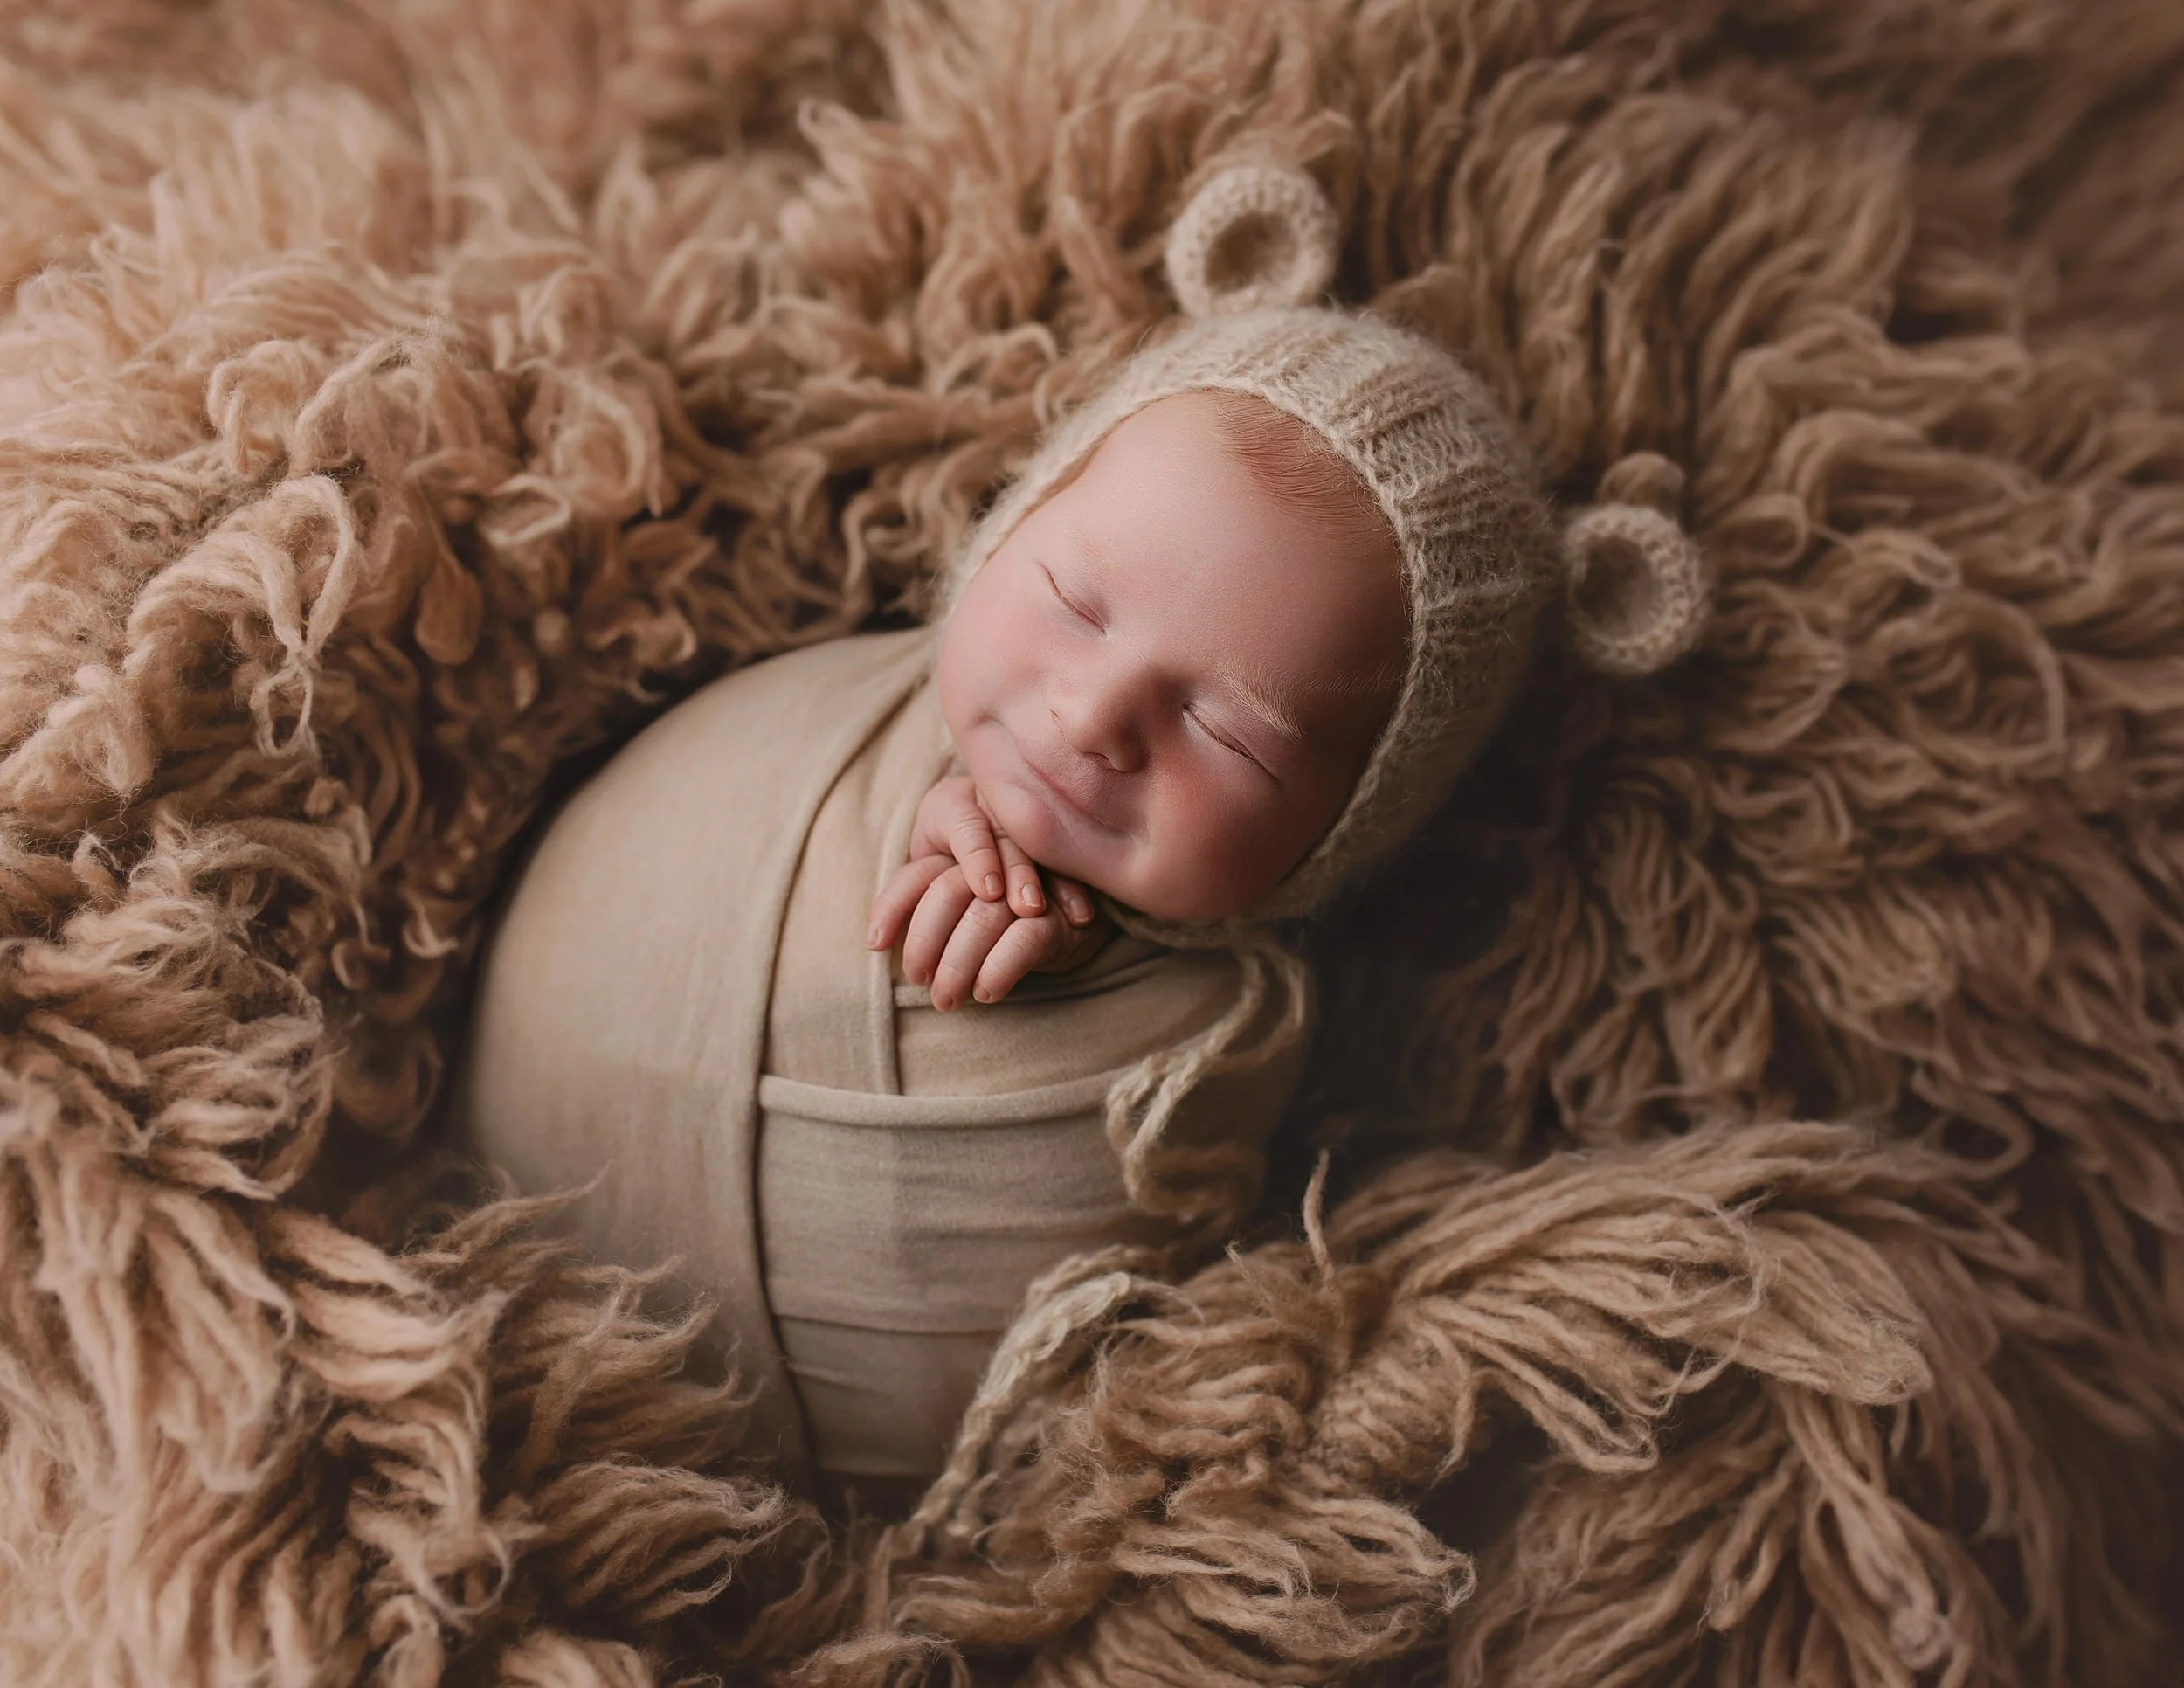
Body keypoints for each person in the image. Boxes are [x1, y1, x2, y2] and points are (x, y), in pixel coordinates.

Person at [453, 163, 1708, 1512]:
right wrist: (909, 801)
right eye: (1070, 599)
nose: (1096, 715)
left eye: (1230, 734)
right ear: (1010, 528)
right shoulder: (838, 688)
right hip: (470, 1158)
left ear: (1344, 831)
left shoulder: (1221, 1043)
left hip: (748, 1478)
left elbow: (1148, 1334)